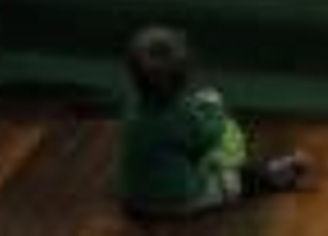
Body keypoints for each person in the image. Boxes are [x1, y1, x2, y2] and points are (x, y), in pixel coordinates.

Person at [118, 25, 307, 219]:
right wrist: (215, 109)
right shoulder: (180, 114)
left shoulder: (132, 105)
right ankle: (275, 175)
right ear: (183, 79)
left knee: (195, 162)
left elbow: (167, 133)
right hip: (177, 200)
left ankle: (269, 171)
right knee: (233, 178)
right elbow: (208, 137)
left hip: (134, 199)